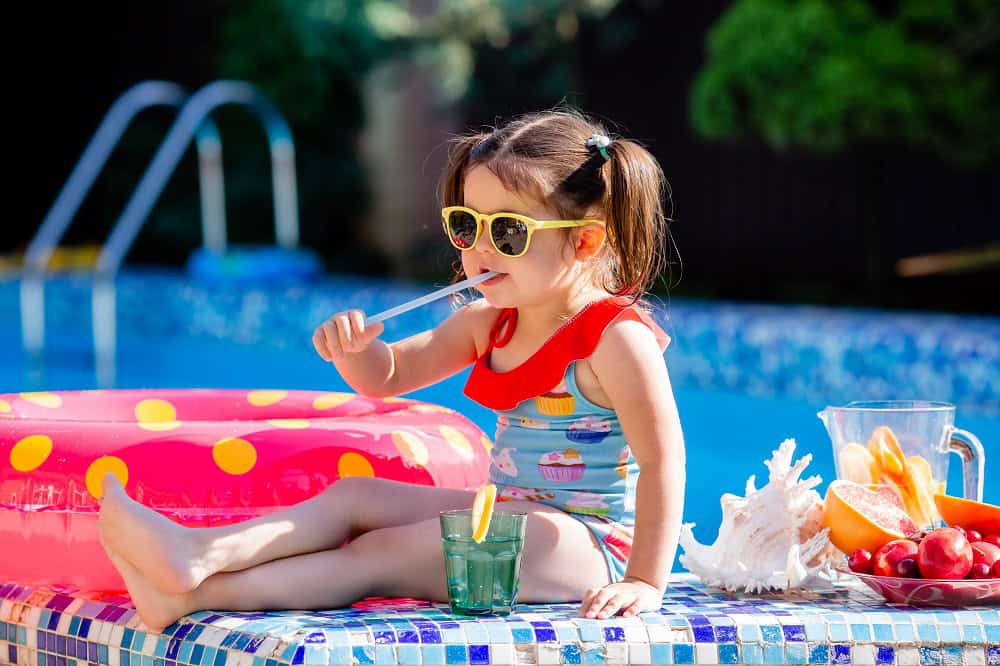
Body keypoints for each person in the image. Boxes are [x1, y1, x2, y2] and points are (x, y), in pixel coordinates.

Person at [97, 109, 686, 632]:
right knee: (354, 496)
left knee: (379, 553)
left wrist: (644, 582)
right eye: (467, 224)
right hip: (514, 512)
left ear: (584, 243)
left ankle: (191, 598)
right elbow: (391, 374)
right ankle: (201, 552)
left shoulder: (614, 339)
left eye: (507, 231)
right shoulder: (489, 321)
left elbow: (664, 461)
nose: (478, 249)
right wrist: (356, 351)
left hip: (589, 543)